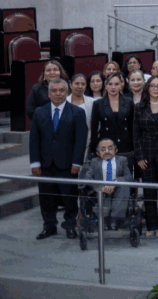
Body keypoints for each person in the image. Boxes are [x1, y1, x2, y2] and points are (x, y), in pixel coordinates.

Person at [29, 78, 88, 239]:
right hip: (45, 164)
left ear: (67, 92)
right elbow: (34, 140)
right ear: (48, 94)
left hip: (68, 165)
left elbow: (80, 140)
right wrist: (35, 163)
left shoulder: (77, 112)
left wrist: (77, 162)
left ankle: (70, 226)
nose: (58, 93)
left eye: (61, 90)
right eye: (54, 90)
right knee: (46, 197)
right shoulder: (39, 112)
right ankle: (49, 226)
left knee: (69, 198)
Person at [134, 75, 158, 237]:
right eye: (153, 85)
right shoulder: (139, 107)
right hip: (146, 153)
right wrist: (139, 156)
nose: (156, 88)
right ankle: (151, 225)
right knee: (149, 191)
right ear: (147, 88)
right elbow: (135, 135)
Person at [79, 138, 132, 227]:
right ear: (97, 153)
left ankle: (116, 219)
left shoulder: (122, 160)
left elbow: (129, 177)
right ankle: (105, 219)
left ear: (116, 150)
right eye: (103, 149)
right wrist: (101, 187)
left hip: (118, 190)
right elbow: (87, 178)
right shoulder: (94, 162)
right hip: (101, 192)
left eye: (110, 149)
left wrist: (115, 183)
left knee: (124, 185)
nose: (107, 151)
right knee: (100, 193)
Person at [90, 73, 134, 163]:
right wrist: (95, 149)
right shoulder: (98, 104)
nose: (113, 87)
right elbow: (94, 129)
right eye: (110, 84)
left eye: (116, 84)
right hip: (106, 146)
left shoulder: (129, 102)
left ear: (121, 85)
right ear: (105, 86)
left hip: (125, 146)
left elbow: (132, 127)